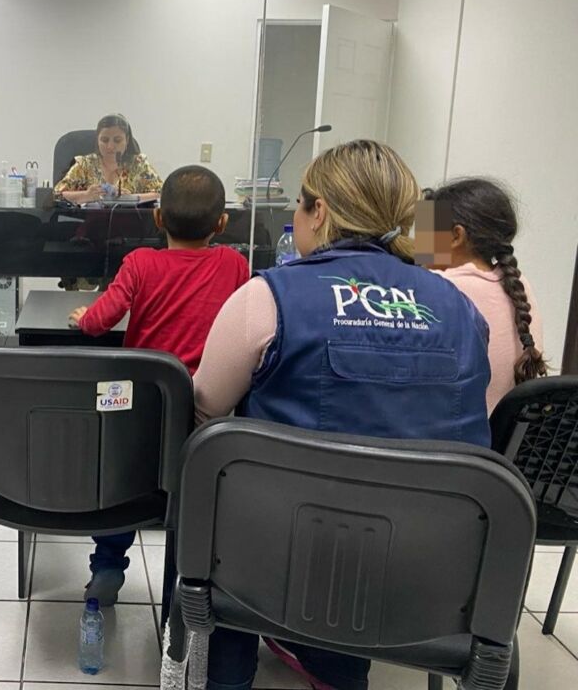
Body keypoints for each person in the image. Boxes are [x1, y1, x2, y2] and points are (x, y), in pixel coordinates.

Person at [193, 140, 491, 690]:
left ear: (321, 211)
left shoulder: (267, 297)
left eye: (299, 203)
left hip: (280, 558)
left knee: (211, 493)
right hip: (427, 571)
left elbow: (206, 404)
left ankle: (226, 677)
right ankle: (336, 672)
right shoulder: (461, 308)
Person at [69, 165, 250, 606]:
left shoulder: (140, 263)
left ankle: (108, 564)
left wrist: (83, 318)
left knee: (120, 483)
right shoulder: (234, 264)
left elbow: (100, 322)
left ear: (157, 218)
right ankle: (188, 578)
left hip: (138, 407)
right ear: (222, 222)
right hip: (200, 413)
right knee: (191, 491)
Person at [417, 178, 547, 413]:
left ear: (456, 236)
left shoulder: (439, 287)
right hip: (502, 435)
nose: (418, 245)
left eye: (425, 233)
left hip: (452, 433)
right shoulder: (519, 284)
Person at [57, 114, 162, 204]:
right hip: (91, 220)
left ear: (127, 141)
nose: (110, 146)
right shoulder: (85, 165)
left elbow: (161, 193)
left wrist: (131, 198)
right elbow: (57, 194)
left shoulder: (138, 164)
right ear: (97, 140)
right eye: (104, 140)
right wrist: (86, 195)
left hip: (131, 219)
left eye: (117, 140)